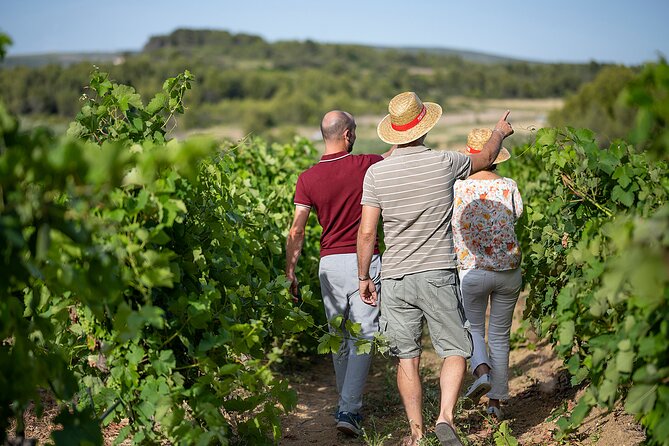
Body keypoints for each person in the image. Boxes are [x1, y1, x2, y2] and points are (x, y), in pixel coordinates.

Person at [356, 92, 513, 446]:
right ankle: (445, 418)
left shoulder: (376, 173)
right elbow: (487, 157)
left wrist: (364, 275)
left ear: (393, 132)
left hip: (396, 276)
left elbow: (367, 232)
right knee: (455, 350)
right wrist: (500, 131)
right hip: (438, 271)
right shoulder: (445, 162)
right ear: (425, 126)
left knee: (407, 359)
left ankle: (416, 434)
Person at [285, 110, 394, 437]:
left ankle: (346, 403)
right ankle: (349, 409)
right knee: (363, 335)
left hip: (329, 265)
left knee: (339, 337)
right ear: (347, 135)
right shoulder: (366, 164)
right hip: (364, 260)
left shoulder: (307, 178)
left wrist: (290, 271)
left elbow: (297, 230)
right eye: (355, 131)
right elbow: (395, 153)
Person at [452, 128, 523, 420]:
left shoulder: (457, 187)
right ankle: (495, 403)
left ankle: (481, 372)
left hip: (472, 270)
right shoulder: (508, 185)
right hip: (507, 270)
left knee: (474, 329)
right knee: (500, 336)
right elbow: (516, 215)